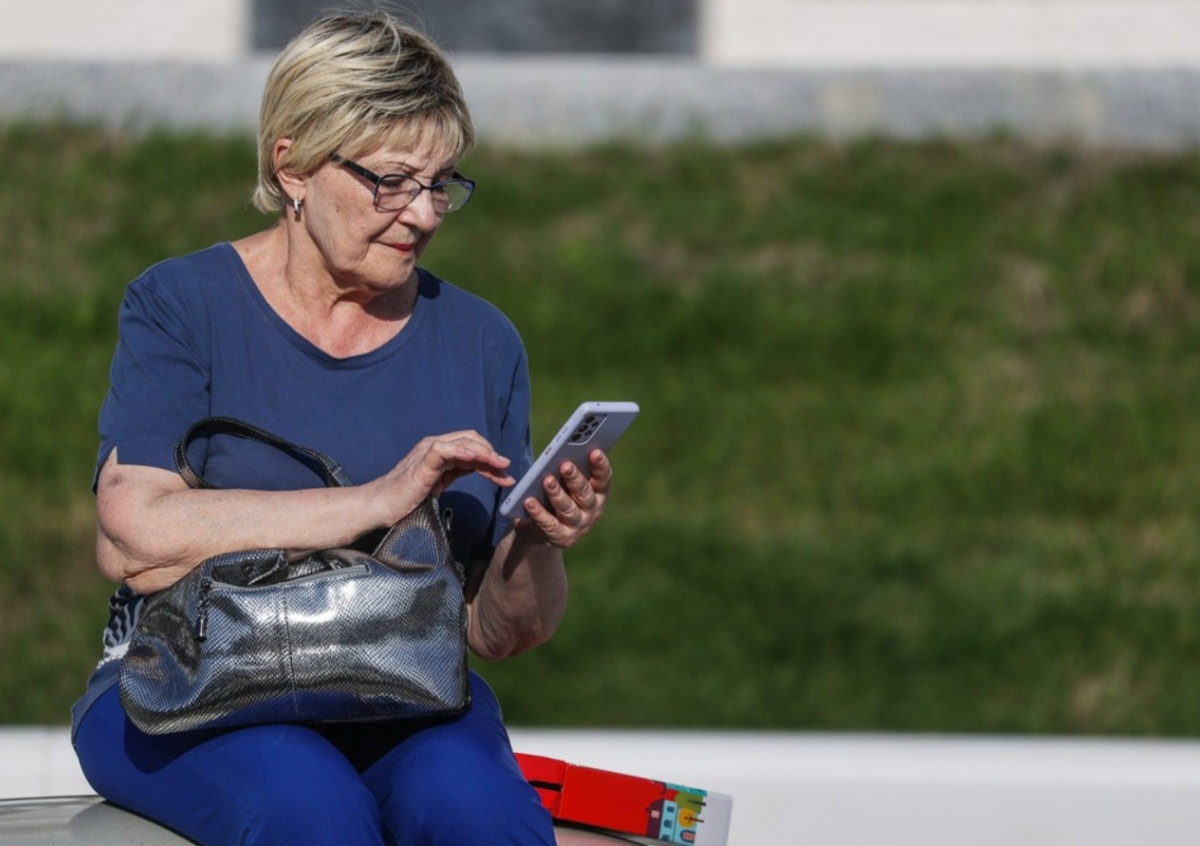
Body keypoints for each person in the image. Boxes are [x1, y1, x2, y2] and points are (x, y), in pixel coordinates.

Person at [71, 11, 615, 845]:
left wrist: (539, 540)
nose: (424, 214)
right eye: (391, 181)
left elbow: (497, 633)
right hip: (184, 687)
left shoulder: (480, 340)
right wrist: (376, 500)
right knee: (307, 807)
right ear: (292, 164)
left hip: (401, 691)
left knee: (479, 813)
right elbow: (132, 534)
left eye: (441, 183)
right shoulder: (182, 304)